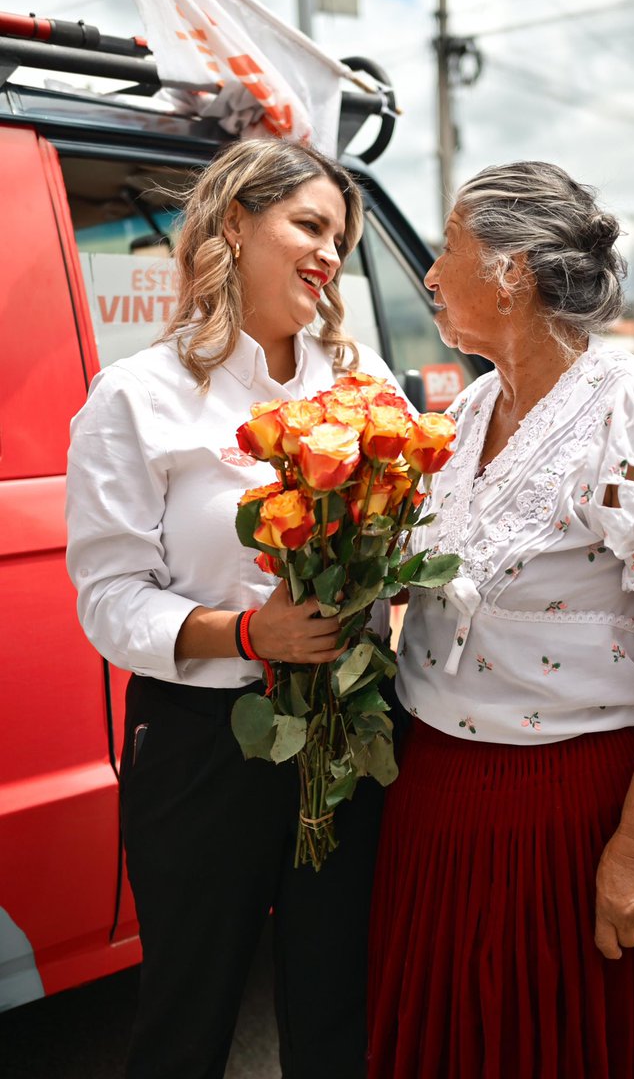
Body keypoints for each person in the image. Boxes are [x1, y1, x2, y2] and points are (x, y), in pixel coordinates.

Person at [367, 161, 634, 1079]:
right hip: (446, 798)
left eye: (450, 247)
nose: (430, 273)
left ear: (514, 273)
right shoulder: (464, 414)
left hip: (582, 803)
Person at [66, 137, 403, 1079]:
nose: (331, 253)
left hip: (348, 734)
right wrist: (253, 634)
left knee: (338, 1010)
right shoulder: (136, 397)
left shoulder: (363, 382)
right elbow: (108, 600)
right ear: (234, 223)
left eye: (340, 236)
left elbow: (404, 542)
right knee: (190, 1016)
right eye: (309, 224)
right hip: (201, 744)